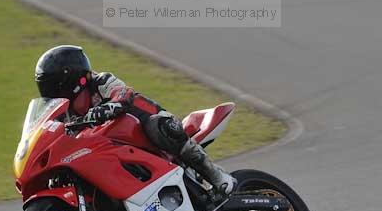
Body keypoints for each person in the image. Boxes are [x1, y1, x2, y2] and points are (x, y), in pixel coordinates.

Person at [35, 45, 235, 195]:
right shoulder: (63, 111)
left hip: (144, 129)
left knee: (162, 127)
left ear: (70, 79)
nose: (49, 91)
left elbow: (124, 94)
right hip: (109, 149)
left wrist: (106, 109)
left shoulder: (100, 81)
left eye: (52, 84)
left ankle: (217, 176)